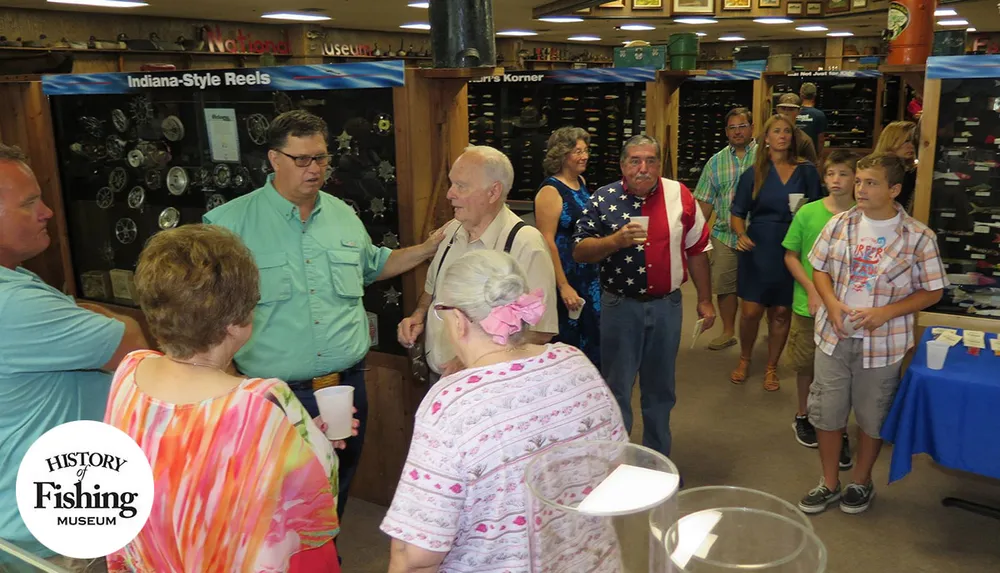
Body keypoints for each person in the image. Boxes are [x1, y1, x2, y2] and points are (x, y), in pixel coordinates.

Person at [204, 110, 443, 519]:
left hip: (346, 388)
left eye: (321, 158)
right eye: (302, 159)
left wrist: (428, 248)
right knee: (278, 497)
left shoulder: (341, 214)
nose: (314, 169)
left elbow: (373, 265)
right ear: (274, 159)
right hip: (274, 393)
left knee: (337, 486)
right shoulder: (227, 226)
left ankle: (326, 555)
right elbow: (207, 315)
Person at [105, 224, 354, 572]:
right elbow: (315, 498)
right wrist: (316, 441)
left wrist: (287, 436)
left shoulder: (129, 370)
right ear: (238, 322)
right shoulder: (264, 400)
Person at [382, 250, 627, 573]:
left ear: (458, 320)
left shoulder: (451, 404)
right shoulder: (576, 362)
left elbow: (414, 556)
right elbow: (616, 466)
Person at [0, 144, 147, 573]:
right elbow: (131, 348)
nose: (47, 211)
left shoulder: (18, 281)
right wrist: (89, 313)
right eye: (29, 204)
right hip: (55, 528)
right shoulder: (14, 303)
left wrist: (70, 309)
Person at [797, 153, 947, 515]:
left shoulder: (918, 237)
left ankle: (861, 480)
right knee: (827, 414)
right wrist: (831, 303)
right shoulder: (839, 224)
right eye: (859, 181)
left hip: (883, 345)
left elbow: (933, 291)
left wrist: (885, 313)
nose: (859, 188)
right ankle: (829, 482)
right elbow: (819, 269)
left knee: (872, 417)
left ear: (894, 189)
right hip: (833, 338)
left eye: (871, 182)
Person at [573, 134, 715, 458]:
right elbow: (580, 250)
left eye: (651, 161)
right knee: (617, 388)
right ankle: (616, 461)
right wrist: (615, 241)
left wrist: (705, 299)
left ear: (659, 165)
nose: (643, 168)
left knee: (660, 390)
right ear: (623, 165)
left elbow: (697, 250)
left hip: (667, 306)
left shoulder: (680, 195)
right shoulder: (602, 198)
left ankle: (657, 461)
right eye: (635, 161)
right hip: (619, 307)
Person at [397, 146, 558, 379]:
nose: (449, 194)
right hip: (440, 378)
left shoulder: (525, 243)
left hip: (494, 385)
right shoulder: (451, 231)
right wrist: (418, 316)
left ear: (493, 192)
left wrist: (469, 360)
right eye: (452, 184)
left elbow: (542, 331)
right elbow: (432, 291)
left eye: (461, 186)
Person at [730, 115, 822, 391]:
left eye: (787, 132)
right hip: (759, 248)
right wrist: (740, 234)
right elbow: (737, 213)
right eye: (776, 131)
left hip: (793, 248)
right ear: (766, 138)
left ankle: (771, 366)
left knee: (782, 311)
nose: (782, 136)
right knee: (750, 311)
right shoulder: (754, 173)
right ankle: (745, 359)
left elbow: (818, 209)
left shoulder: (807, 172)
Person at [782, 150, 856, 472]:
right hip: (808, 306)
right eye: (830, 174)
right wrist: (812, 289)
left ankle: (837, 428)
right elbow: (791, 256)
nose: (835, 180)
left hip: (848, 309)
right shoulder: (808, 213)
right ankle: (804, 415)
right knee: (806, 365)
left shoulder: (863, 216)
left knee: (843, 373)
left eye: (843, 174)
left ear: (855, 178)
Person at [534, 126, 601, 368]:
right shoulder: (551, 190)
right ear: (562, 155)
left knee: (593, 332)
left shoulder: (580, 181)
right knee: (570, 336)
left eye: (586, 150)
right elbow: (546, 240)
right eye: (577, 151)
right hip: (566, 273)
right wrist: (563, 286)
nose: (584, 156)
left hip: (588, 272)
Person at [694, 107, 758, 351]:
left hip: (757, 234)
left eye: (742, 126)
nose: (737, 131)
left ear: (752, 128)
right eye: (732, 128)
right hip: (723, 234)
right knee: (724, 284)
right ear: (726, 132)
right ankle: (729, 331)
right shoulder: (715, 162)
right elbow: (705, 203)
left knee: (758, 286)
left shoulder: (765, 156)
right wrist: (694, 238)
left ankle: (754, 331)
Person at [874, 120, 917, 213]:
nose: (911, 146)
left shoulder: (914, 173)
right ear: (891, 141)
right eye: (907, 141)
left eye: (914, 142)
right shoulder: (871, 171)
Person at [776, 93, 819, 165]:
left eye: (791, 109)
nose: (786, 113)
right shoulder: (766, 135)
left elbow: (812, 169)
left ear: (799, 111)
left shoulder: (804, 140)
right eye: (783, 108)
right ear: (777, 110)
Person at [797, 83, 828, 151]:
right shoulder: (820, 115)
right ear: (815, 95)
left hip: (793, 155)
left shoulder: (793, 113)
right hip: (812, 155)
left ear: (801, 95)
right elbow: (821, 140)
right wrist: (819, 158)